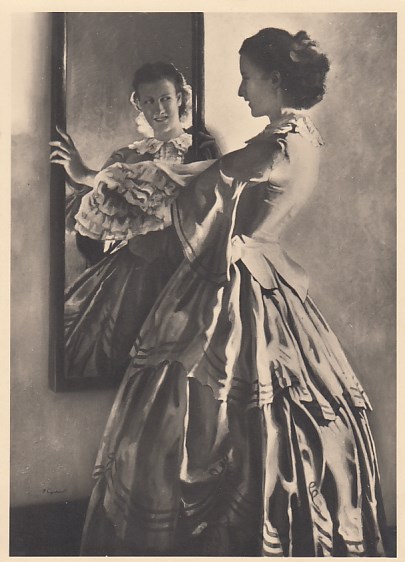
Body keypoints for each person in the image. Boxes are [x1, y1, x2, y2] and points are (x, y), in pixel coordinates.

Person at [77, 29, 387, 556]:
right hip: (276, 280)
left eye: (247, 78)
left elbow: (194, 188)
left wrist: (107, 184)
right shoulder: (304, 139)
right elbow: (203, 178)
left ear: (275, 79)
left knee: (201, 417)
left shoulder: (272, 148)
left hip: (238, 284)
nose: (241, 91)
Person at [50, 62, 220, 384]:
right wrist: (82, 176)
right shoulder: (125, 157)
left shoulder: (201, 147)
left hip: (186, 267)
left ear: (180, 98)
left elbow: (205, 207)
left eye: (165, 98)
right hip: (136, 268)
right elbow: (96, 217)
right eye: (149, 101)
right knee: (119, 349)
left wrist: (89, 175)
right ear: (138, 104)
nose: (159, 109)